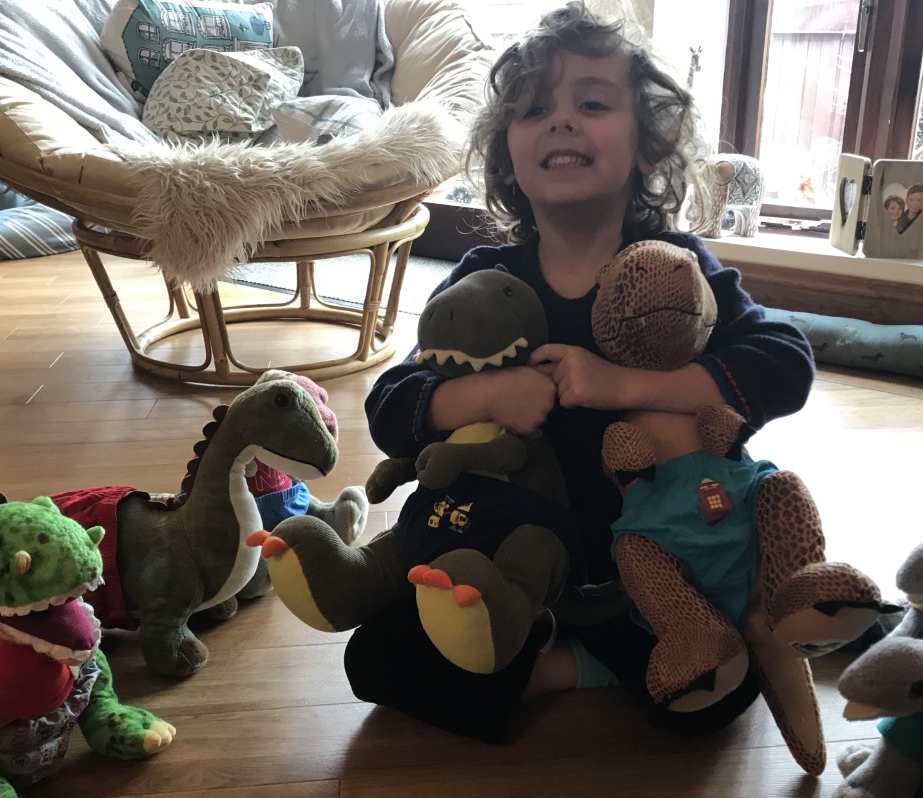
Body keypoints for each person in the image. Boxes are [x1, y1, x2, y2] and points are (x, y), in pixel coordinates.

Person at [345, 1, 815, 743]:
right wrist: (483, 394)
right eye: (534, 110)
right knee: (375, 658)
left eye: (592, 104)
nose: (561, 121)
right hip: (510, 566)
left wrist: (623, 386)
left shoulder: (677, 268)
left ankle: (571, 662)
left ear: (648, 148)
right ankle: (561, 651)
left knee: (719, 695)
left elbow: (784, 362)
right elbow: (391, 404)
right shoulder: (486, 277)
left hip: (658, 576)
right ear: (507, 158)